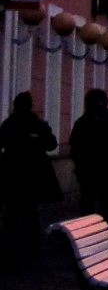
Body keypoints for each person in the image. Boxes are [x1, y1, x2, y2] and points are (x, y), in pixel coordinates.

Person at [0, 92, 60, 259]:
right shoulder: (37, 124)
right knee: (29, 211)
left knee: (11, 212)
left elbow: (1, 141)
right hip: (33, 173)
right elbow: (51, 144)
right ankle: (31, 245)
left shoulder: (10, 123)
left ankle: (12, 244)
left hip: (12, 173)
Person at [69, 89, 108, 225]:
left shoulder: (82, 122)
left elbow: (74, 146)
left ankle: (88, 230)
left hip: (88, 171)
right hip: (106, 171)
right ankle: (105, 229)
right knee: (106, 204)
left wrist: (79, 166)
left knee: (88, 203)